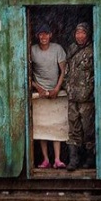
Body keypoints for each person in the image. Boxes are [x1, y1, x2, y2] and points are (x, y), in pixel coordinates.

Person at [30, 23, 67, 169]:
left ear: (50, 35)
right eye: (41, 34)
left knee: (56, 126)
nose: (43, 37)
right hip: (39, 95)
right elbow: (25, 72)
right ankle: (46, 160)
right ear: (37, 36)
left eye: (46, 34)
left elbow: (63, 71)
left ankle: (57, 159)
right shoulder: (32, 50)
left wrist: (57, 88)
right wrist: (37, 87)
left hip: (55, 93)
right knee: (42, 127)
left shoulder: (57, 49)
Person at [65, 22, 96, 171]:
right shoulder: (71, 49)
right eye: (77, 33)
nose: (79, 36)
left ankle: (90, 159)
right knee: (73, 129)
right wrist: (67, 86)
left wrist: (90, 90)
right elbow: (67, 70)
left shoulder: (92, 51)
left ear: (88, 34)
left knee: (88, 129)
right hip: (72, 97)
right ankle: (74, 160)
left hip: (86, 98)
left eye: (82, 33)